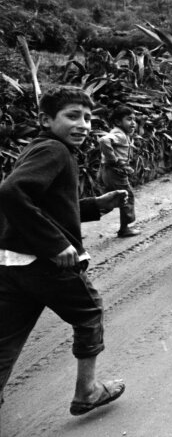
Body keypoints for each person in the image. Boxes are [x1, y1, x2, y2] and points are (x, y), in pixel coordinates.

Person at [0, 86, 127, 417]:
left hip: (14, 262)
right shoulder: (55, 150)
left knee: (6, 337)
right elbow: (12, 192)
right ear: (45, 119)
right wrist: (55, 245)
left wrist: (95, 207)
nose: (83, 124)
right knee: (89, 313)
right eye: (72, 116)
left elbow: (47, 205)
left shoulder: (41, 148)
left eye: (87, 117)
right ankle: (87, 391)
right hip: (45, 263)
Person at [98, 105, 141, 238]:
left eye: (134, 119)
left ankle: (79, 217)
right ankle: (124, 228)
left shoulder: (123, 134)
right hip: (115, 172)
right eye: (129, 119)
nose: (133, 123)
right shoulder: (119, 134)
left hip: (107, 171)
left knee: (108, 201)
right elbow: (104, 140)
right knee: (127, 197)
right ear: (117, 122)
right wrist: (114, 160)